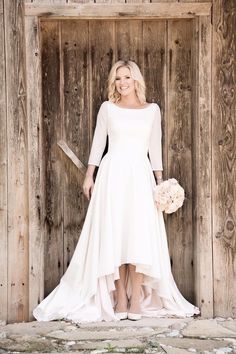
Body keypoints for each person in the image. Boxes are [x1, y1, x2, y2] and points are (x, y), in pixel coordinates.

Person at [33, 60, 200, 323]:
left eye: (127, 78)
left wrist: (161, 184)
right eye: (118, 78)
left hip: (140, 177)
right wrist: (90, 176)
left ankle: (136, 299)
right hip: (112, 176)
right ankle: (120, 297)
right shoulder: (108, 109)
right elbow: (99, 143)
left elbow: (154, 148)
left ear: (136, 81)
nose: (122, 83)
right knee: (116, 237)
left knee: (138, 238)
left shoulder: (152, 110)